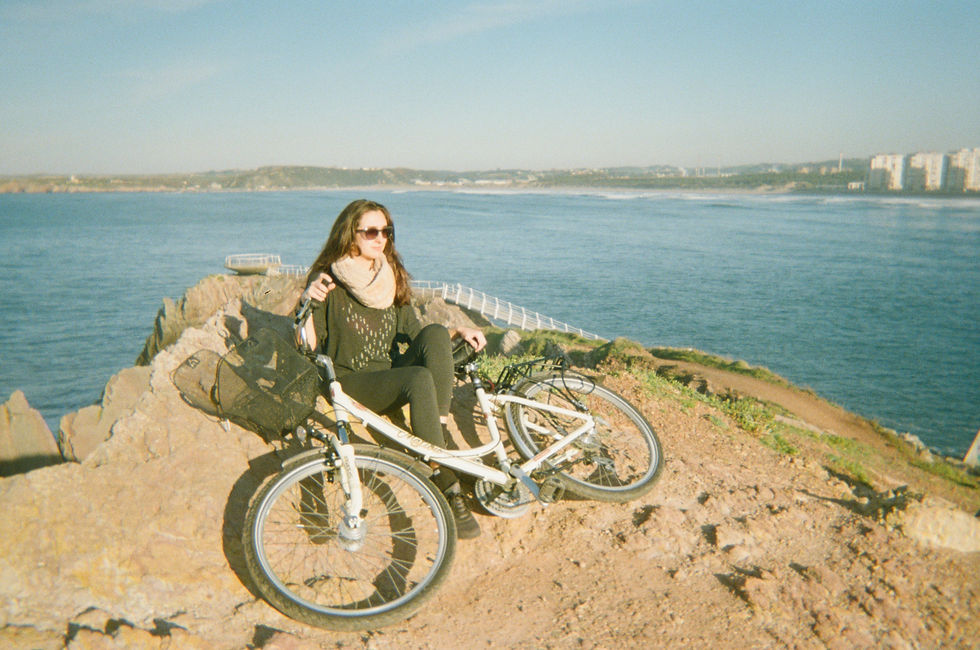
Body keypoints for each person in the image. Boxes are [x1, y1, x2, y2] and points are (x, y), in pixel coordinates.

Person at [296, 199, 487, 539]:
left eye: (386, 231)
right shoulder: (327, 278)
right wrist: (305, 301)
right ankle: (446, 482)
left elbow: (415, 331)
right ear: (350, 233)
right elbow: (308, 345)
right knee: (417, 377)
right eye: (371, 231)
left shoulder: (390, 273)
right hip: (352, 380)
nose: (380, 238)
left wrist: (458, 330)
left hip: (389, 371)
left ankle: (437, 434)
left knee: (436, 332)